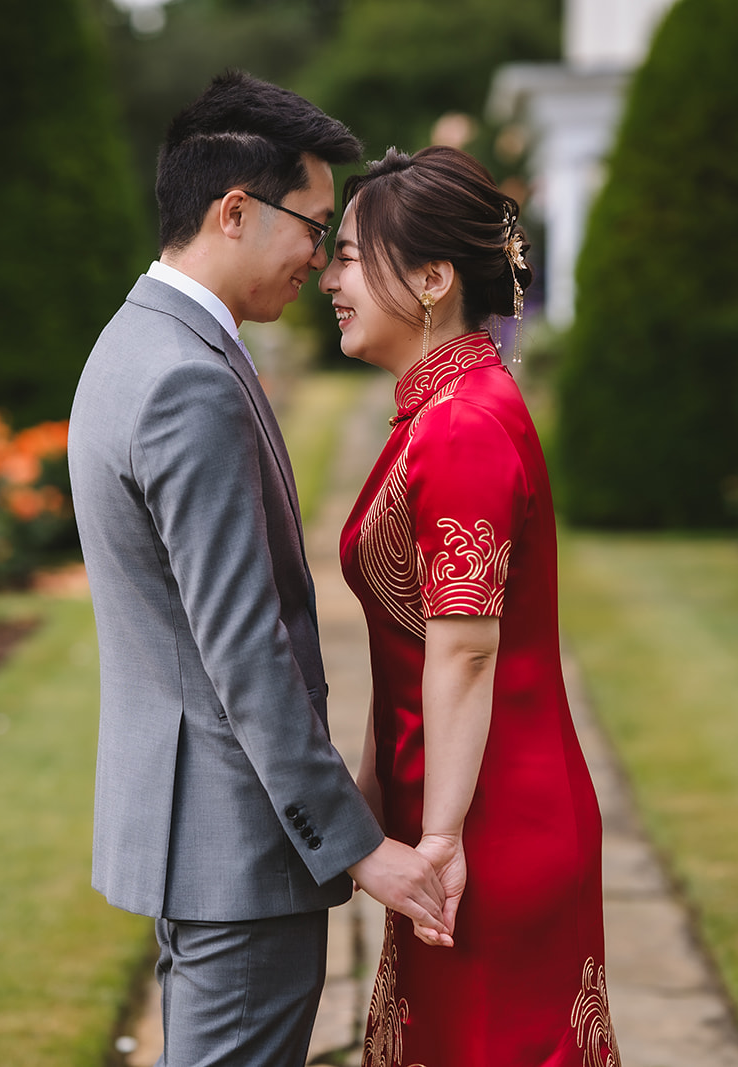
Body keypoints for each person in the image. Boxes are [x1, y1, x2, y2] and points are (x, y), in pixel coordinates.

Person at [67, 72, 451, 1067]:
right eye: (315, 228)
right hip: (239, 851)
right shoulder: (188, 379)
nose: (323, 262)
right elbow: (244, 651)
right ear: (234, 211)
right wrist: (362, 845)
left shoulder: (135, 343)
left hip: (193, 836)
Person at [319, 145, 622, 1066]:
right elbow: (404, 639)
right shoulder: (439, 408)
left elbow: (463, 650)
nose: (328, 278)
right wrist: (375, 800)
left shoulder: (461, 424)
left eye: (348, 255)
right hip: (450, 810)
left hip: (492, 830)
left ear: (432, 278)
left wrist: (442, 837)